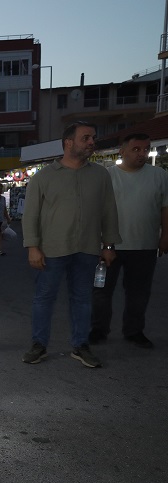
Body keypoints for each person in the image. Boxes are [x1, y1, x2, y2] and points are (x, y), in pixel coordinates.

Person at [21, 121, 120, 368]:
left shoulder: (100, 175)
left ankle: (80, 345)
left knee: (83, 299)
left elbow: (109, 211)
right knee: (44, 298)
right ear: (68, 143)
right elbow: (30, 214)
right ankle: (39, 345)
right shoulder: (44, 177)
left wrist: (108, 245)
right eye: (86, 138)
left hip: (87, 249)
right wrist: (33, 246)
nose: (91, 142)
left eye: (92, 137)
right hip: (51, 250)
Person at [90, 133, 168, 349]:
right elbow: (98, 213)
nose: (142, 154)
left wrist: (165, 236)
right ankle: (98, 329)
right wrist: (102, 244)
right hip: (110, 246)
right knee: (101, 291)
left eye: (145, 149)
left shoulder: (159, 175)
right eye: (136, 149)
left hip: (145, 246)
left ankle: (134, 330)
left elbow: (165, 208)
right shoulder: (107, 176)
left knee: (139, 293)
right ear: (122, 151)